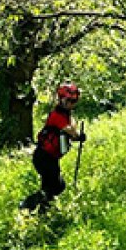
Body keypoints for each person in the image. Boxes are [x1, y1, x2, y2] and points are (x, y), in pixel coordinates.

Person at [19, 82, 85, 214]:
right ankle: (27, 205)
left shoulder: (66, 115)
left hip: (52, 158)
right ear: (61, 100)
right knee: (55, 186)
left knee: (53, 187)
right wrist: (79, 136)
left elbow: (71, 132)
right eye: (69, 100)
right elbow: (71, 132)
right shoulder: (57, 116)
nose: (72, 104)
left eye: (74, 101)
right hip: (43, 157)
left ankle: (41, 213)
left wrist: (77, 134)